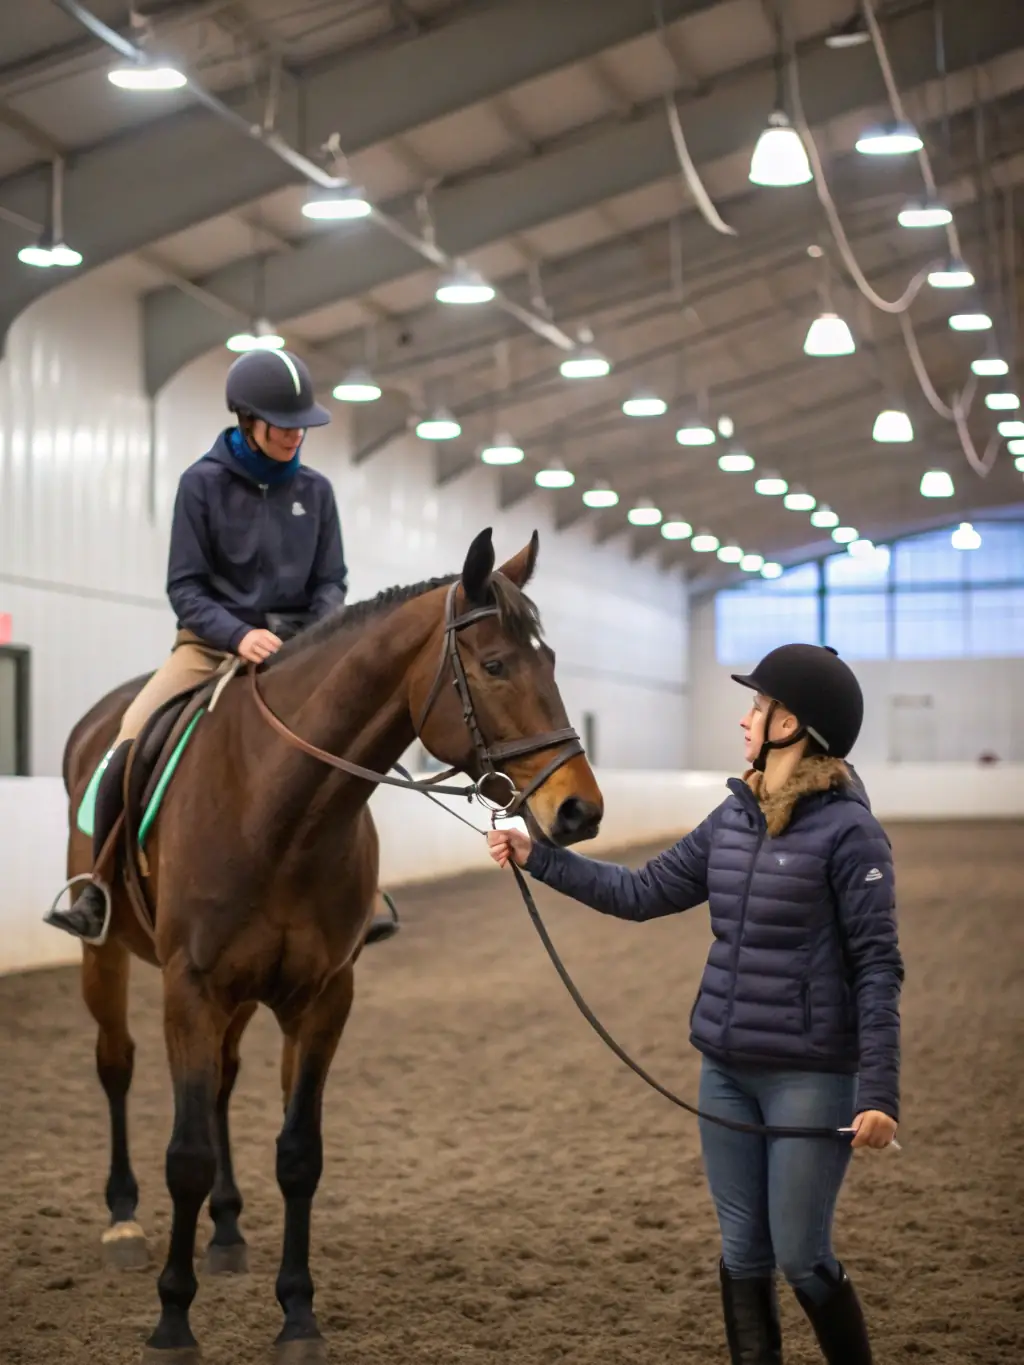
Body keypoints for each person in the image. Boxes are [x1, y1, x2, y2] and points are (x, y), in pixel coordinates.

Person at [487, 643, 903, 1365]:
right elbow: (642, 892)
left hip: (810, 1076)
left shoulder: (850, 832)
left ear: (791, 725)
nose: (745, 720)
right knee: (743, 1252)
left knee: (802, 1254)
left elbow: (877, 966)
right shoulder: (733, 817)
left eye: (758, 707)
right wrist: (539, 855)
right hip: (726, 1070)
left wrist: (880, 1091)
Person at [46, 347, 400, 948]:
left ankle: (359, 894)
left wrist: (314, 635)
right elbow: (185, 586)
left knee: (346, 747)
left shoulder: (315, 491)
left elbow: (331, 581)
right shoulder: (202, 484)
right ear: (247, 420)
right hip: (210, 645)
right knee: (131, 737)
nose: (295, 436)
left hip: (298, 648)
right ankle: (97, 886)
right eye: (283, 424)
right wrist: (238, 633)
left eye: (301, 426)